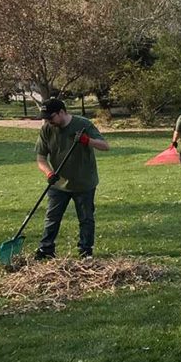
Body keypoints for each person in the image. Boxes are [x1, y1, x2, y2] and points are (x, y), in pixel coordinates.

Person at [34, 98, 110, 260]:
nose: (48, 121)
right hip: (58, 183)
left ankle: (85, 251)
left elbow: (105, 146)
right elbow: (41, 158)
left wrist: (87, 141)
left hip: (84, 182)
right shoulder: (47, 129)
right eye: (45, 118)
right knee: (52, 217)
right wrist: (49, 173)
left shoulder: (83, 124)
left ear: (62, 112)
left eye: (50, 117)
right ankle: (46, 249)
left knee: (86, 219)